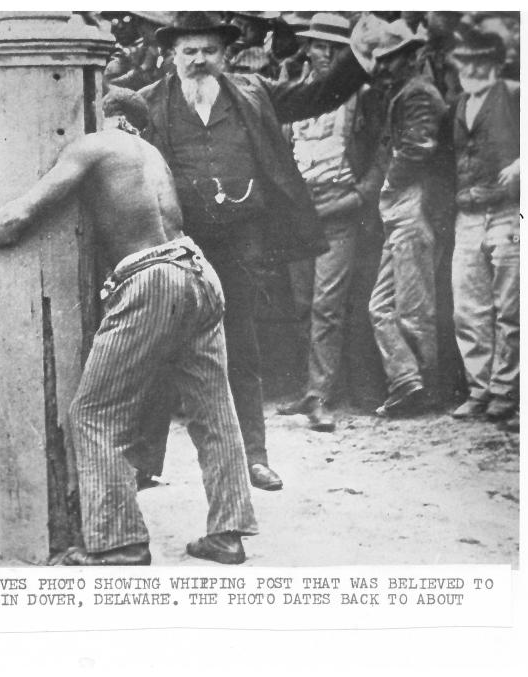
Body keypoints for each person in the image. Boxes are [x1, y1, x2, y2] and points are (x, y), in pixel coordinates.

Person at [0, 89, 258, 566]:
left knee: (94, 413)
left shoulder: (93, 145)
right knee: (214, 412)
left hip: (150, 278)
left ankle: (121, 542)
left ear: (104, 115)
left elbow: (22, 214)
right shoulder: (151, 154)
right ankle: (229, 532)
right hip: (199, 271)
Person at [139, 12, 382, 491]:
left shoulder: (253, 92)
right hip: (177, 241)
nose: (199, 60)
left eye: (209, 50)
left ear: (225, 54)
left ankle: (254, 457)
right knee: (162, 341)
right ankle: (144, 461)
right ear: (173, 55)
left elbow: (319, 96)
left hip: (241, 239)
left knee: (240, 346)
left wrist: (360, 56)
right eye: (189, 51)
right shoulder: (150, 104)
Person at [278, 14, 386, 432]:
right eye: (316, 46)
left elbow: (383, 150)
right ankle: (311, 387)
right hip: (301, 209)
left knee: (328, 305)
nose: (320, 53)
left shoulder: (365, 94)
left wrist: (359, 197)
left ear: (344, 52)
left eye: (330, 48)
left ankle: (321, 394)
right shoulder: (301, 93)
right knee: (303, 302)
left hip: (341, 210)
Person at [368, 20, 448, 418]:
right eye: (380, 60)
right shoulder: (406, 92)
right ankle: (408, 382)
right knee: (380, 306)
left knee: (414, 307)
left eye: (391, 59)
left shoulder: (417, 93)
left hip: (412, 203)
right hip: (400, 207)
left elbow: (418, 146)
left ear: (410, 57)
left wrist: (389, 184)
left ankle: (425, 389)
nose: (383, 68)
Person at [447, 30, 519, 423]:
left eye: (480, 60)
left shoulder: (515, 93)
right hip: (468, 215)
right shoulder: (458, 103)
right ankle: (480, 391)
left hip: (511, 211)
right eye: (466, 60)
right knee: (469, 309)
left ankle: (507, 393)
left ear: (496, 62)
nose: (472, 68)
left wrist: (527, 165)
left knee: (511, 307)